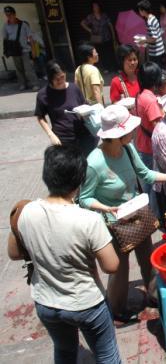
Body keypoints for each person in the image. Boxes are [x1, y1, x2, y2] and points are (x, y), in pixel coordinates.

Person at [79, 105, 166, 324]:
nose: (134, 132)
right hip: (114, 223)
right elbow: (83, 198)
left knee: (147, 259)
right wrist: (107, 209)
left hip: (138, 214)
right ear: (117, 135)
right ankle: (116, 309)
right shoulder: (94, 163)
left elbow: (145, 174)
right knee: (120, 270)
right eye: (130, 130)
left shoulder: (128, 149)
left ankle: (153, 295)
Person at [8, 145, 121, 363]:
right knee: (107, 355)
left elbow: (13, 253)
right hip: (86, 304)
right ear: (79, 181)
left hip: (46, 303)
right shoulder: (88, 220)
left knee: (64, 351)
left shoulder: (26, 211)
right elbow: (111, 265)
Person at [36, 60, 98, 157]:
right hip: (64, 140)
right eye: (57, 79)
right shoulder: (43, 95)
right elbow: (40, 117)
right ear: (50, 78)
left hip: (85, 136)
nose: (61, 80)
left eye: (62, 77)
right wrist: (51, 135)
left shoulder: (74, 88)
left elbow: (84, 105)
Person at [134, 61, 163, 179]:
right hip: (150, 149)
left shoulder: (140, 94)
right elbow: (158, 128)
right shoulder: (150, 100)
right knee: (153, 185)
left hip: (142, 144)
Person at [3, 6, 39, 91]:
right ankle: (23, 84)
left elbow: (31, 38)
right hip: (14, 51)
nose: (9, 16)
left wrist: (33, 50)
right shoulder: (5, 26)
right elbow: (5, 39)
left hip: (25, 50)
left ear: (14, 14)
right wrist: (7, 51)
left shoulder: (23, 25)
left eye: (10, 14)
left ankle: (35, 84)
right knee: (19, 70)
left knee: (29, 69)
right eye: (7, 15)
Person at [80, 2, 117, 72]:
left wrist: (113, 36)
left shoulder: (104, 15)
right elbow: (82, 23)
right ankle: (106, 68)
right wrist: (89, 30)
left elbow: (110, 25)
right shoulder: (90, 17)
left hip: (106, 37)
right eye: (94, 7)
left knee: (110, 53)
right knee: (101, 53)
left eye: (97, 6)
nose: (96, 8)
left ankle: (114, 68)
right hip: (97, 39)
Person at [136, 0, 165, 66]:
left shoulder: (150, 22)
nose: (139, 12)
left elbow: (154, 39)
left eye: (139, 10)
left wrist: (143, 41)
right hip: (159, 49)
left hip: (155, 52)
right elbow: (155, 34)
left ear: (143, 11)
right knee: (158, 69)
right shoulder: (153, 17)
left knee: (155, 71)